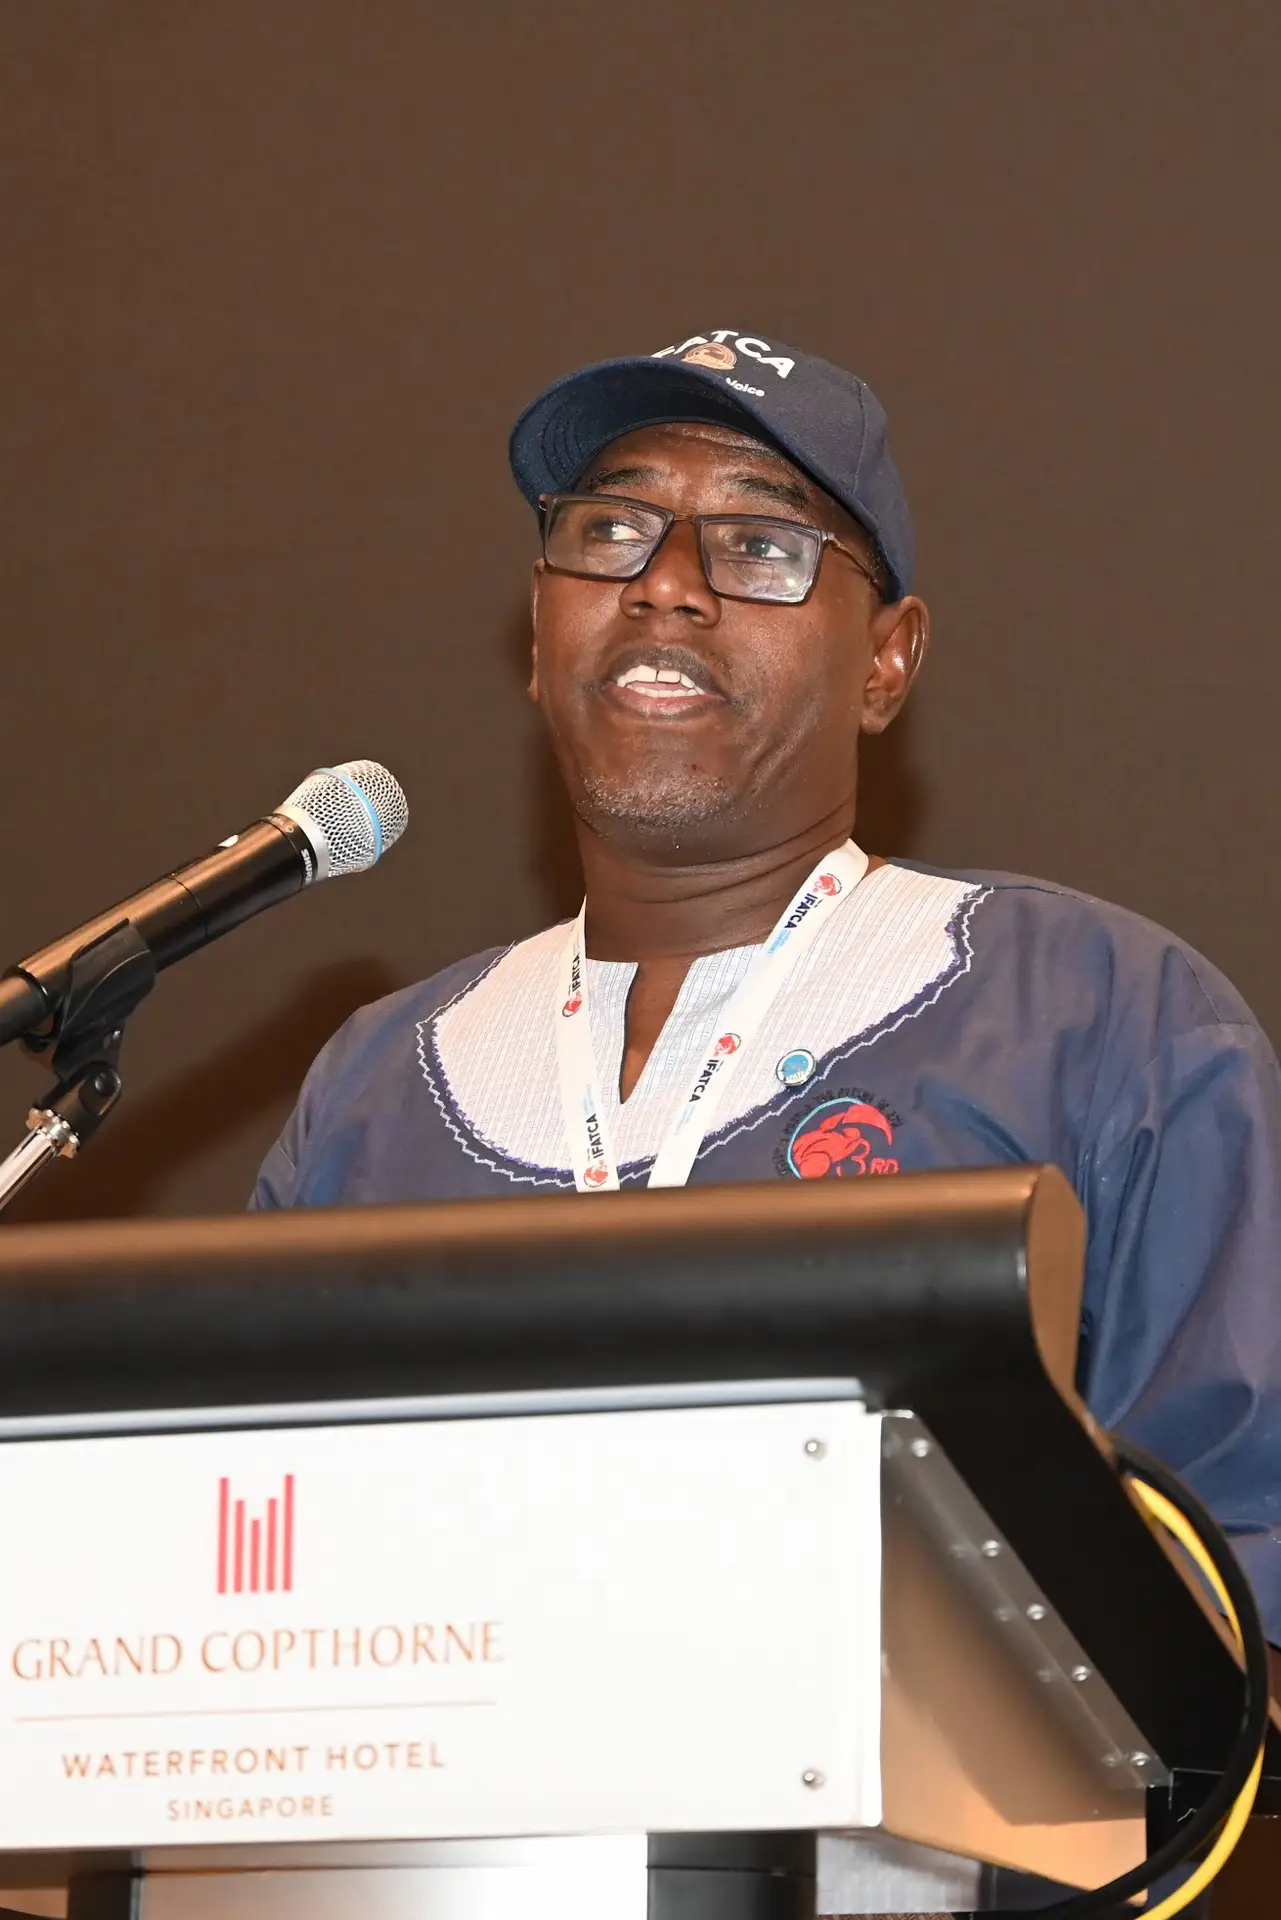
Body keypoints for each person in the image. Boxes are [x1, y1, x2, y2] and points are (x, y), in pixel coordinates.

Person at [252, 325, 1281, 1656]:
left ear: (887, 661)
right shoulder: (375, 1088)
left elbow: (1238, 1576)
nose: (666, 585)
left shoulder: (1105, 1019)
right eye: (611, 530)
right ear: (538, 632)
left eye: (759, 545)